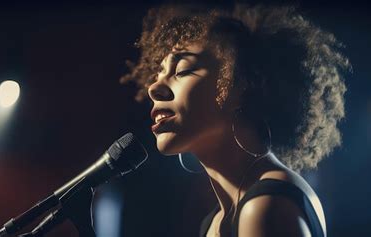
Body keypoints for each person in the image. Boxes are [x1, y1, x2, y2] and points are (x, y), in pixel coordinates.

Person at [120, 3, 350, 237]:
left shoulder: (264, 206)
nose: (154, 88)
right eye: (158, 74)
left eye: (182, 71)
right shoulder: (217, 220)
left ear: (240, 85)